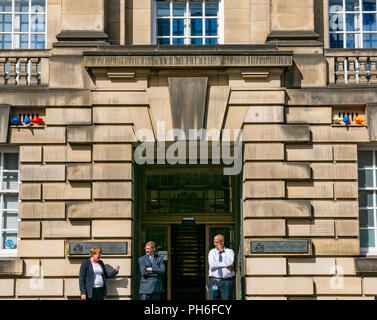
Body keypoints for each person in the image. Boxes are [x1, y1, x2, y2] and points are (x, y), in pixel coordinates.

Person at [208, 234, 235, 300]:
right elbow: (212, 265)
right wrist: (226, 265)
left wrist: (222, 252)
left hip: (226, 281)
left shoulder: (229, 252)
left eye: (216, 242)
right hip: (214, 281)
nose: (215, 244)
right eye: (214, 242)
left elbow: (230, 262)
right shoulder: (212, 252)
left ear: (222, 242)